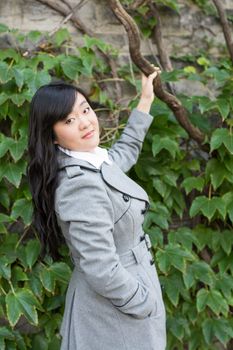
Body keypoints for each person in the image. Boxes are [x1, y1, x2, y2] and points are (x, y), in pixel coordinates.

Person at [27, 69, 166, 350]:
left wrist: (145, 100)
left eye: (85, 110)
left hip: (124, 296)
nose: (85, 122)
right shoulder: (80, 186)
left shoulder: (91, 160)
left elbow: (122, 153)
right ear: (52, 136)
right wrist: (142, 301)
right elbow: (101, 267)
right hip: (113, 309)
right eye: (68, 120)